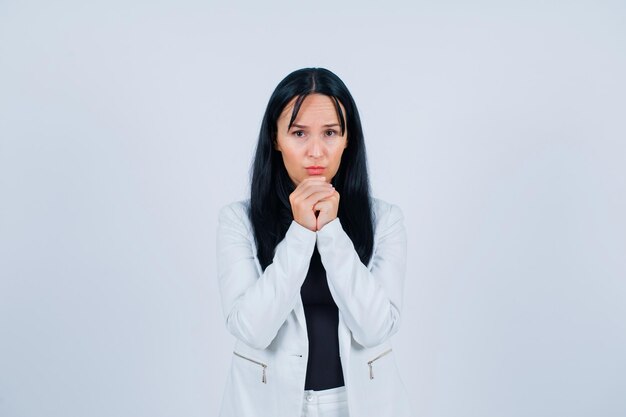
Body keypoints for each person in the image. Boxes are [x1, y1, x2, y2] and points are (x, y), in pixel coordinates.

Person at [216, 67, 412, 417]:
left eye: (331, 133)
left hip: (360, 403)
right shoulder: (238, 221)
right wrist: (302, 232)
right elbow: (252, 330)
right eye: (299, 133)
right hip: (266, 404)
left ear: (348, 139)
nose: (316, 152)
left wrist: (331, 230)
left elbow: (376, 328)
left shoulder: (385, 220)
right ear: (275, 139)